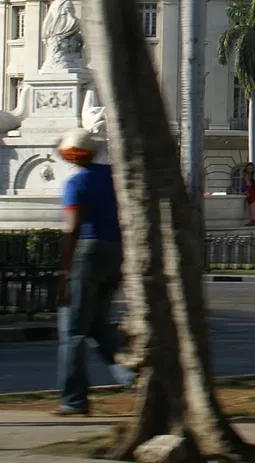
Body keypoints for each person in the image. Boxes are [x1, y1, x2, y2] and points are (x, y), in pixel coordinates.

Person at [56, 129, 133, 415]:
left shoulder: (77, 183)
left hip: (89, 251)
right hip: (117, 251)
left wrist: (64, 274)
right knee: (98, 325)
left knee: (73, 330)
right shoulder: (113, 177)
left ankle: (73, 400)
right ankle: (129, 373)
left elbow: (72, 228)